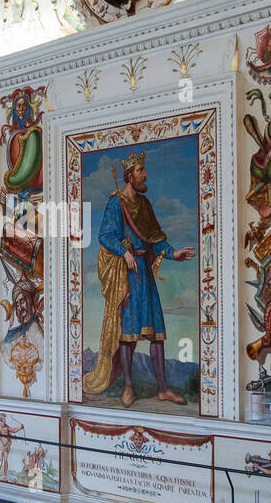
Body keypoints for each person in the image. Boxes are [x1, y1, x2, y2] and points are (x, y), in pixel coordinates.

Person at [84, 150, 196, 406]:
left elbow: (155, 238)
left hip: (144, 273)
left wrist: (172, 253)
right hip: (128, 275)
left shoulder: (144, 205)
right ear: (128, 176)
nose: (145, 175)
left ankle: (163, 388)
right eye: (140, 171)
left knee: (156, 332)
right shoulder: (116, 203)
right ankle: (128, 387)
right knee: (128, 332)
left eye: (144, 171)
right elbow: (104, 235)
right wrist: (124, 252)